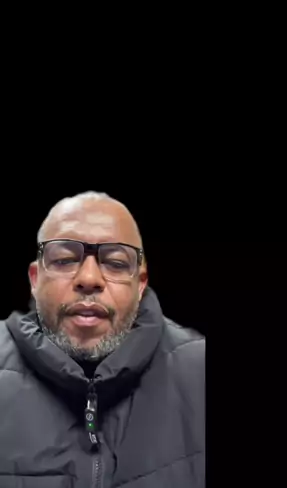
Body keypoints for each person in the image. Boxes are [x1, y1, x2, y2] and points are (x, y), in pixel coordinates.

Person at [0, 192, 205, 487]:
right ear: (35, 279)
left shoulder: (200, 375)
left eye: (116, 263)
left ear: (140, 284)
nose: (89, 278)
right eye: (64, 260)